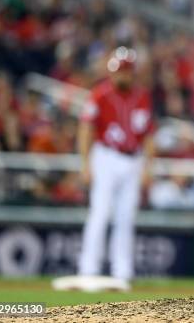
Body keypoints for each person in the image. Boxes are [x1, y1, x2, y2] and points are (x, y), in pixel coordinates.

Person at [77, 46, 155, 289]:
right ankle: (88, 269)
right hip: (106, 156)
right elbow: (86, 129)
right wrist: (85, 163)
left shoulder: (142, 96)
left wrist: (147, 168)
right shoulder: (99, 94)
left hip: (133, 159)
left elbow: (149, 135)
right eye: (119, 71)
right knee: (100, 213)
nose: (122, 75)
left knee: (126, 216)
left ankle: (122, 271)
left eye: (126, 71)